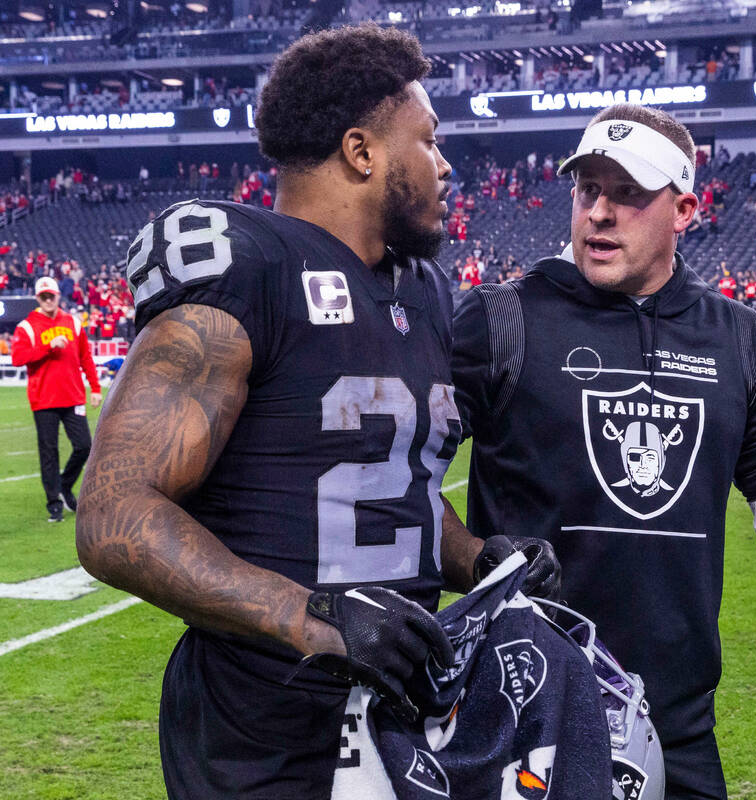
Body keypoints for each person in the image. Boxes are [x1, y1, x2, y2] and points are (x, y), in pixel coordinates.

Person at [75, 25, 558, 799]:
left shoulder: (426, 293)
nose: (446, 166)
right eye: (428, 141)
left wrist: (480, 560)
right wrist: (313, 619)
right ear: (362, 152)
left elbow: (385, 492)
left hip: (401, 717)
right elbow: (111, 514)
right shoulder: (250, 267)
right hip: (261, 734)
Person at [450, 104, 756, 800]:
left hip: (678, 719)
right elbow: (403, 479)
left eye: (628, 193)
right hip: (520, 710)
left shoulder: (737, 338)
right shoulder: (499, 317)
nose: (600, 212)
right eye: (587, 189)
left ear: (683, 208)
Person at [10, 275, 101, 522]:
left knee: (84, 446)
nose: (48, 299)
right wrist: (49, 345)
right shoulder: (26, 327)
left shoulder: (73, 322)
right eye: (44, 296)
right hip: (44, 400)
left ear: (58, 295)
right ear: (38, 298)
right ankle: (54, 503)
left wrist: (95, 387)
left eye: (52, 295)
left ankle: (64, 485)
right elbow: (17, 358)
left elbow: (86, 358)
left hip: (73, 397)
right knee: (48, 453)